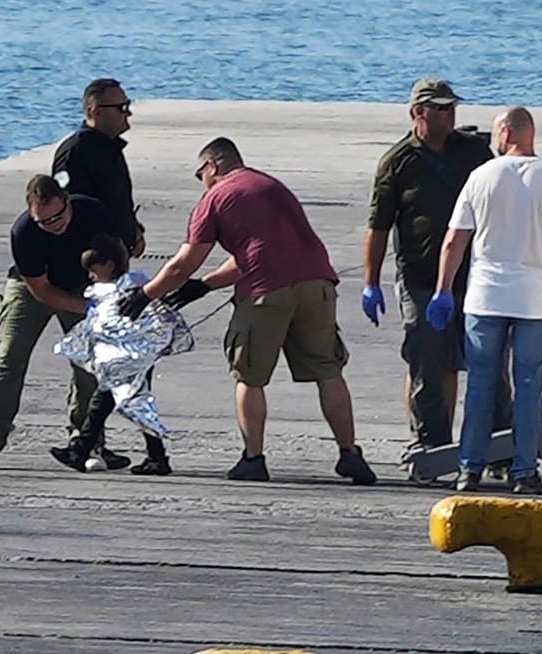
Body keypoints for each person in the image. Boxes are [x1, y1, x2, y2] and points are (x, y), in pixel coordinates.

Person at [120, 137, 377, 486]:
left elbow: (183, 264)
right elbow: (256, 250)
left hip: (265, 294)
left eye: (201, 173)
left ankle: (253, 458)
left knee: (249, 377)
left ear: (212, 165)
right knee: (328, 372)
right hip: (317, 284)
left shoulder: (215, 197)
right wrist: (207, 285)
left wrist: (145, 295)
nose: (202, 181)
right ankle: (350, 454)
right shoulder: (271, 186)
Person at [426, 108, 542, 496]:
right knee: (528, 386)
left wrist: (442, 289)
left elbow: (455, 240)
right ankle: (524, 470)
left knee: (481, 386)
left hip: (486, 297)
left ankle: (469, 469)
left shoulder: (481, 177)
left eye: (495, 133)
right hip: (537, 300)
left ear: (506, 132)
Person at [362, 78, 511, 464]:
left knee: (489, 364)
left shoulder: (474, 152)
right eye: (441, 108)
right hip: (421, 280)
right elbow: (379, 226)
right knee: (427, 360)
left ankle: (500, 448)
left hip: (476, 278)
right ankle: (431, 444)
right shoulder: (398, 162)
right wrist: (370, 282)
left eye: (452, 107)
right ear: (418, 113)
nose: (450, 114)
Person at [0, 175, 139, 472]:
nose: (54, 224)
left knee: (89, 365)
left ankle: (86, 441)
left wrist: (110, 301)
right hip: (30, 287)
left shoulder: (93, 214)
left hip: (84, 286)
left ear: (67, 201)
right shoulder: (23, 232)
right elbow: (41, 289)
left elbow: (116, 261)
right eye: (44, 221)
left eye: (58, 216)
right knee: (9, 358)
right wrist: (85, 308)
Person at [70, 232, 174, 475]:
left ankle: (81, 449)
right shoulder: (138, 283)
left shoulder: (122, 289)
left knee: (104, 404)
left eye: (94, 271)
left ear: (108, 265)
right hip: (129, 358)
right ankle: (156, 456)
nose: (91, 277)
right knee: (133, 405)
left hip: (131, 358)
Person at [54, 78, 145, 256]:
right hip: (89, 255)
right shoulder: (75, 152)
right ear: (96, 113)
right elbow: (65, 204)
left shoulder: (110, 146)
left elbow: (117, 200)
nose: (128, 113)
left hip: (115, 252)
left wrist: (133, 230)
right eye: (121, 108)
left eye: (127, 105)